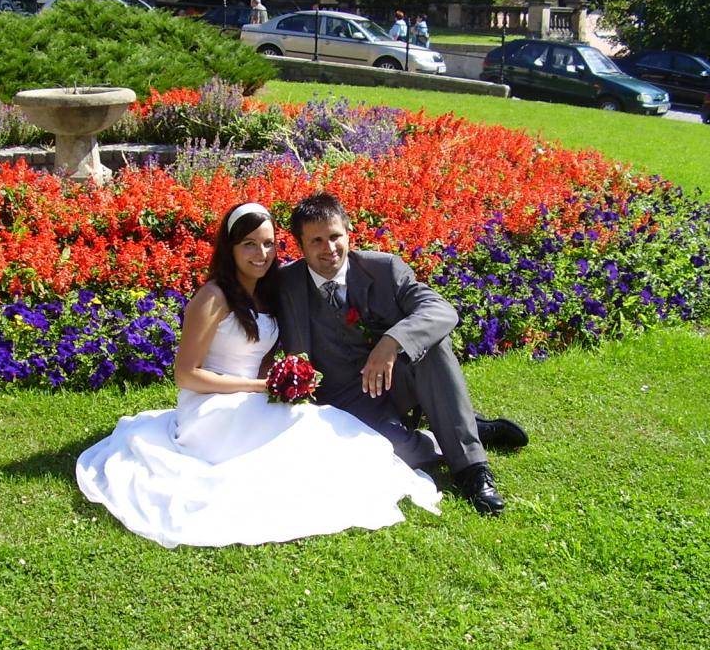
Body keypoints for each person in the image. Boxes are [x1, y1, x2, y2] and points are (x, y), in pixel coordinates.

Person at [76, 203, 441, 548]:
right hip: (211, 407)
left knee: (319, 425)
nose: (261, 253)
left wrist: (282, 380)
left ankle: (418, 445)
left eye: (268, 244)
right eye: (249, 244)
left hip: (253, 398)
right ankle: (421, 445)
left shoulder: (267, 294)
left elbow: (260, 358)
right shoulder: (213, 297)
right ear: (231, 248)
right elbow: (186, 375)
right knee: (304, 434)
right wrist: (260, 386)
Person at [276, 192, 528, 516]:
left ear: (349, 232)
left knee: (434, 345)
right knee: (391, 455)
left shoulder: (383, 269)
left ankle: (472, 469)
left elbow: (440, 310)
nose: (330, 248)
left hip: (397, 382)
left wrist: (392, 341)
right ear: (300, 245)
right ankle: (464, 429)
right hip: (346, 404)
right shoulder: (285, 285)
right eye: (317, 241)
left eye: (336, 236)